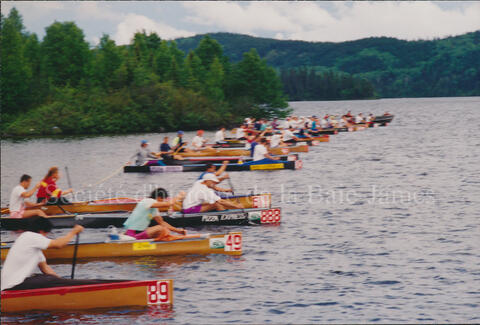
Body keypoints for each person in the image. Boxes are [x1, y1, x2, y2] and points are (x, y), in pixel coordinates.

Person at [1, 217, 89, 291]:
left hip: (13, 284)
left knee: (47, 277)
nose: (46, 237)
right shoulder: (29, 236)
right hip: (12, 285)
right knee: (47, 279)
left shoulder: (34, 248)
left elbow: (45, 268)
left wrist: (63, 282)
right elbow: (58, 244)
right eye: (46, 233)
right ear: (41, 231)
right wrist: (73, 232)